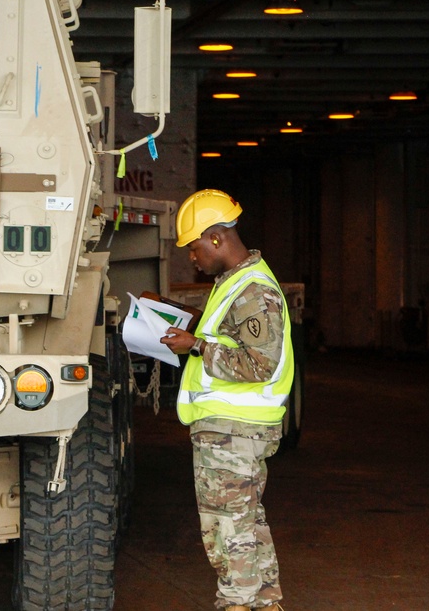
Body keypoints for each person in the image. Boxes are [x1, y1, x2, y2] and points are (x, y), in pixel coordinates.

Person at [161, 189, 292, 611]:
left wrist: (196, 347)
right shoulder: (233, 283)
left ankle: (237, 603)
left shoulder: (253, 290)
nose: (192, 257)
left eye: (194, 247)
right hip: (232, 430)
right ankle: (265, 603)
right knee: (246, 523)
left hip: (234, 433)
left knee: (226, 528)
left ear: (216, 238)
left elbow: (259, 365)